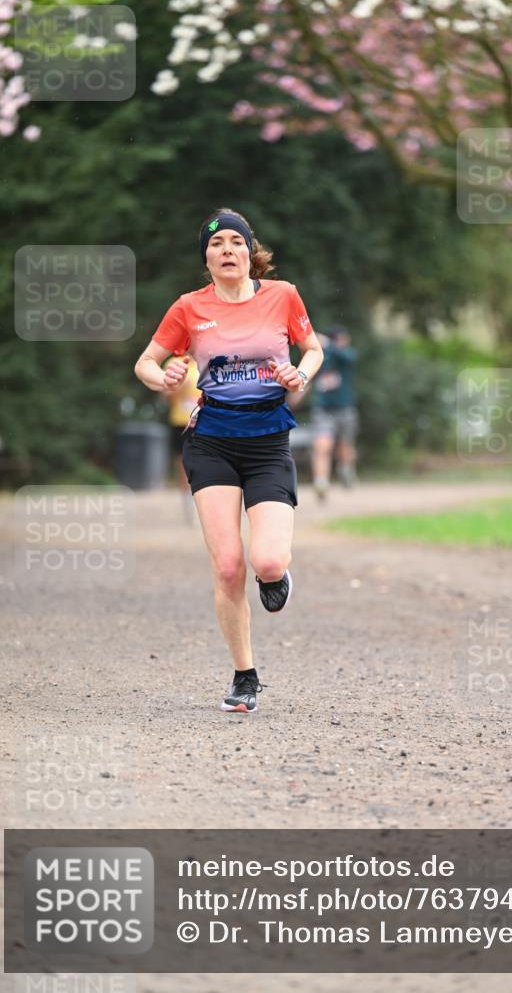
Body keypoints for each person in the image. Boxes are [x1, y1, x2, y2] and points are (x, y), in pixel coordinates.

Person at [134, 208, 323, 713]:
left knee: (265, 560)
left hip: (267, 441)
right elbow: (146, 362)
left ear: (249, 252)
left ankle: (275, 574)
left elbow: (313, 349)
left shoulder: (282, 295)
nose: (227, 251)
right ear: (207, 259)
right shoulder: (189, 308)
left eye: (236, 242)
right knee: (227, 567)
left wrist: (299, 377)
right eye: (216, 245)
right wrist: (165, 379)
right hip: (211, 439)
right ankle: (245, 675)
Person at [311, 326, 358, 500]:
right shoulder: (323, 358)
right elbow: (312, 376)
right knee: (322, 446)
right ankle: (321, 483)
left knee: (345, 447)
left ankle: (346, 470)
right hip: (324, 411)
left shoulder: (346, 356)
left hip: (345, 409)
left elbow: (348, 356)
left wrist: (328, 344)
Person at [162, 355, 201, 524]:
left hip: (206, 421)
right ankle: (189, 508)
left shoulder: (208, 359)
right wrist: (178, 386)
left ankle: (206, 505)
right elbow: (165, 395)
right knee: (183, 466)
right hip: (181, 421)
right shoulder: (173, 363)